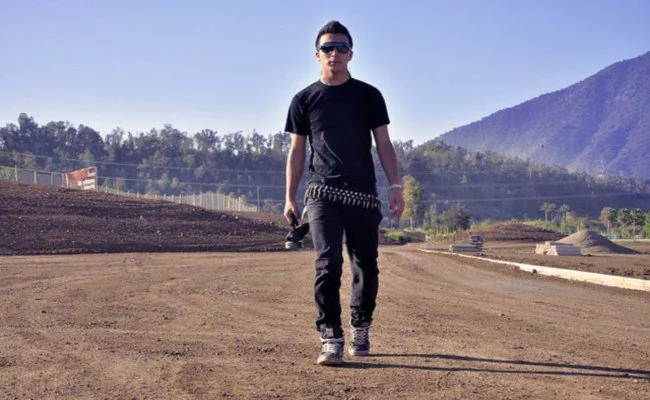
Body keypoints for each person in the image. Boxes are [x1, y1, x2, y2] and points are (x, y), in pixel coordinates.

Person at [283, 20, 404, 366]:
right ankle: (330, 337)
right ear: (317, 55)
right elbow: (297, 151)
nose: (334, 53)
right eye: (327, 48)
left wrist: (396, 186)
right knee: (328, 263)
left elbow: (384, 144)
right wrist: (290, 197)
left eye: (341, 47)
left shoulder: (369, 96)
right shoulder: (304, 99)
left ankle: (360, 326)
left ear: (351, 54)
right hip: (321, 193)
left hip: (362, 193)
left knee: (365, 264)